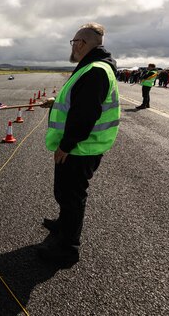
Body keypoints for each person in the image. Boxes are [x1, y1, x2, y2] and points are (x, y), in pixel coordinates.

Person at [39, 22, 120, 265]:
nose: (72, 47)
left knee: (71, 196)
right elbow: (79, 101)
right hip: (81, 146)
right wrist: (55, 102)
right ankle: (64, 225)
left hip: (80, 148)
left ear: (82, 43)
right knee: (65, 193)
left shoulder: (95, 70)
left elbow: (85, 114)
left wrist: (66, 145)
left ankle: (67, 249)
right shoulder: (93, 68)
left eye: (74, 42)